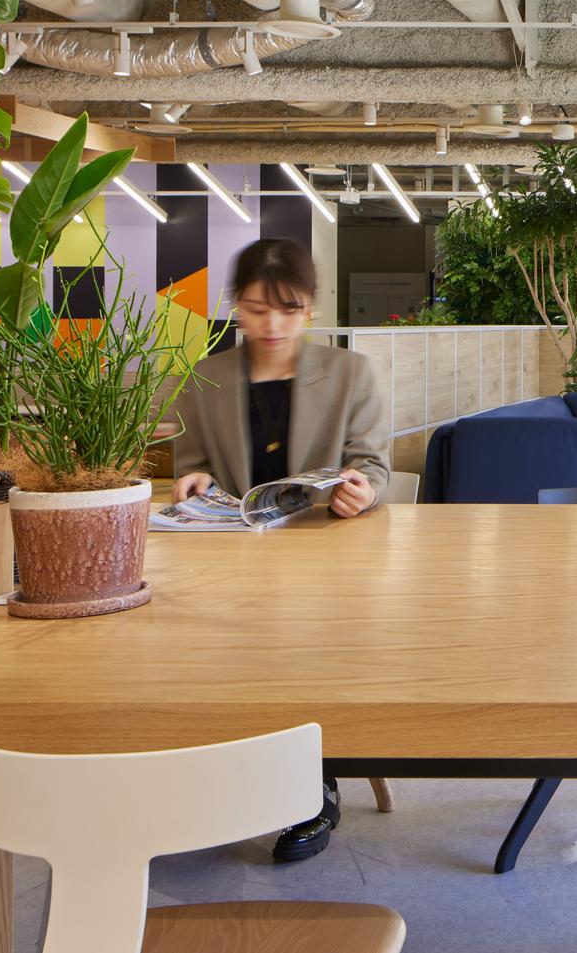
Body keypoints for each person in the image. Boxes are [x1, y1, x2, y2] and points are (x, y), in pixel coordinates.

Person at [172, 237, 391, 863]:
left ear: (310, 308)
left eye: (288, 310)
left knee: (311, 649)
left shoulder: (350, 373)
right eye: (256, 309)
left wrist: (362, 491)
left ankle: (315, 789)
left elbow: (372, 464)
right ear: (234, 306)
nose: (272, 325)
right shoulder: (204, 378)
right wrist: (194, 482)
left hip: (325, 563)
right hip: (234, 562)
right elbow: (193, 465)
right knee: (207, 652)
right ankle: (229, 780)